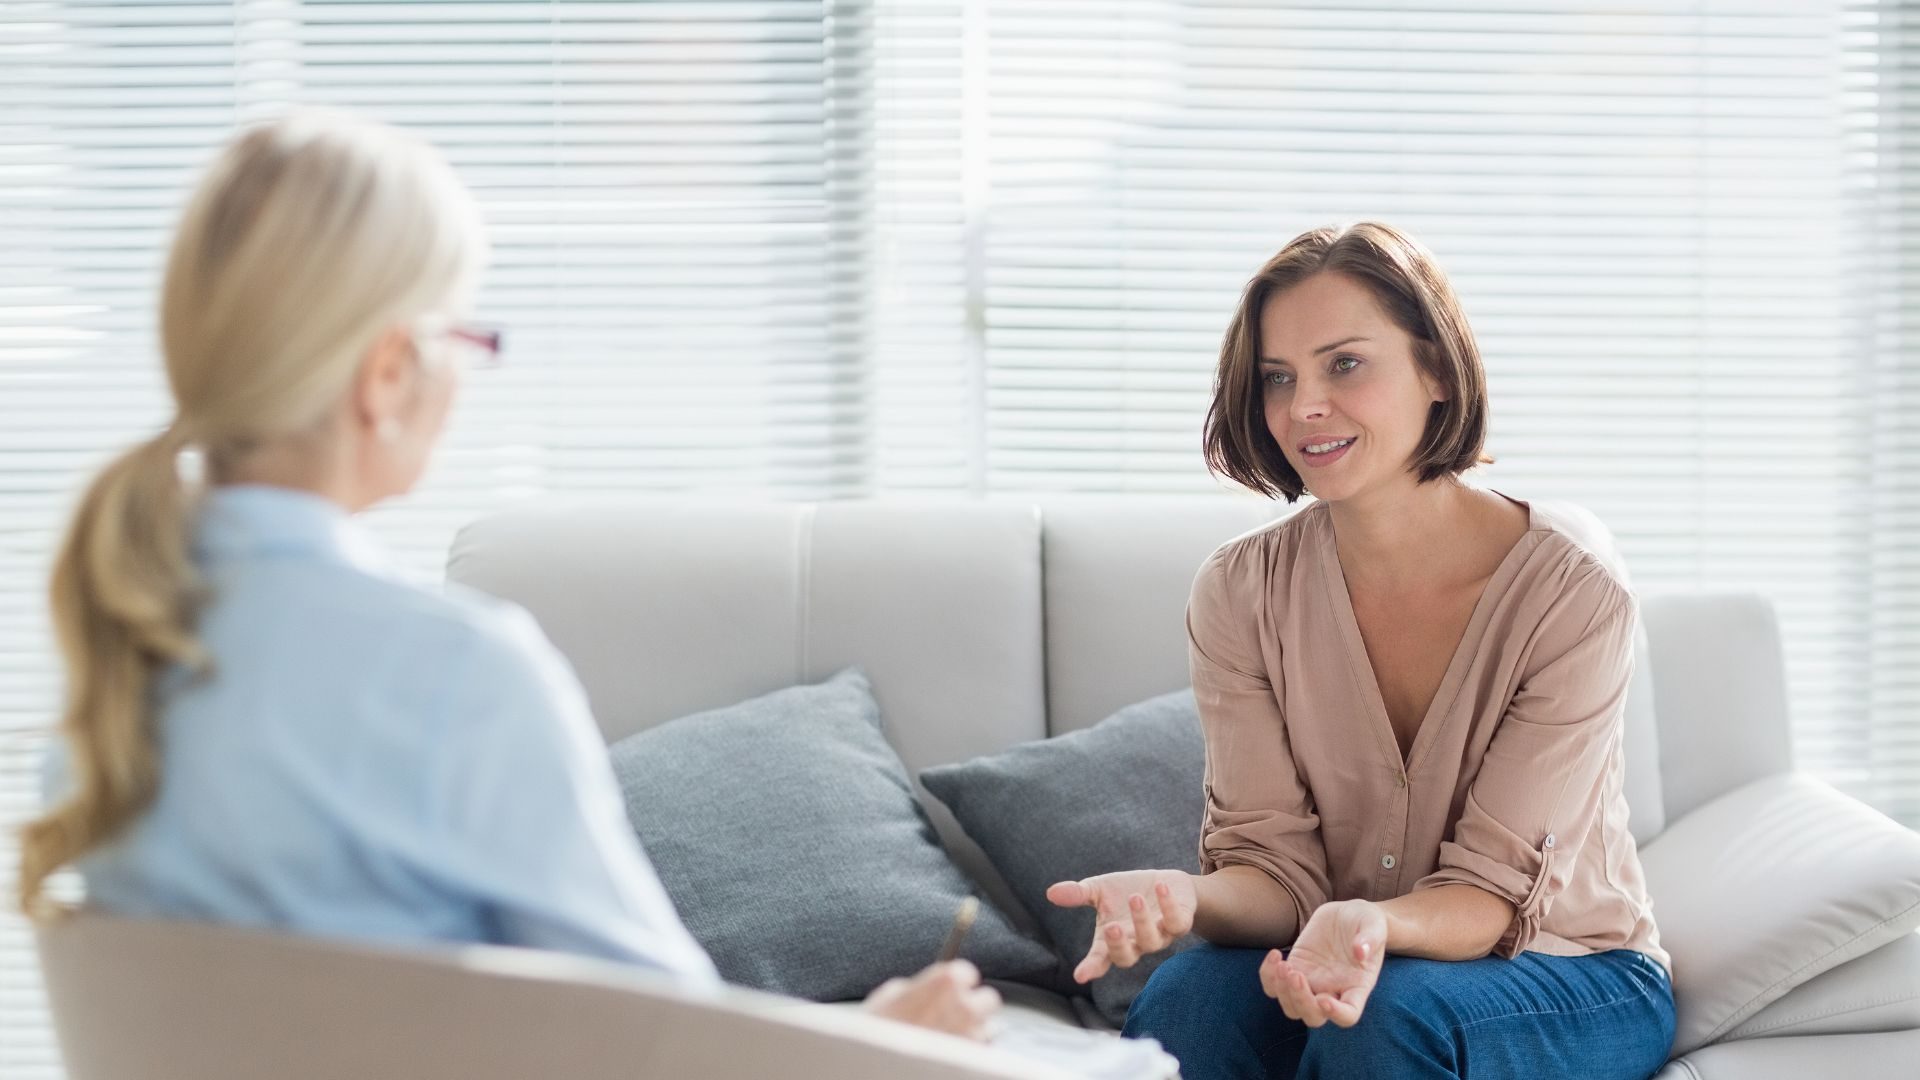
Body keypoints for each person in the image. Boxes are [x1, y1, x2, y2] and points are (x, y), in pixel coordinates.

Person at [15, 110, 997, 1042]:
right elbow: (666, 1051)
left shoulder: (115, 679)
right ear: (388, 373)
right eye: (462, 337)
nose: (466, 376)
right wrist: (871, 1043)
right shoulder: (452, 676)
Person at [1046, 223, 1676, 1079]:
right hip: (1349, 960)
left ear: (1439, 372)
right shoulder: (1240, 593)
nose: (1304, 406)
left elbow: (1491, 899)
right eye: (1278, 377)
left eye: (1344, 363)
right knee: (1188, 999)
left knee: (1380, 1019)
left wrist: (1378, 927)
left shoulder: (1571, 597)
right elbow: (1276, 874)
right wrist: (1183, 897)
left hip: (1569, 971)